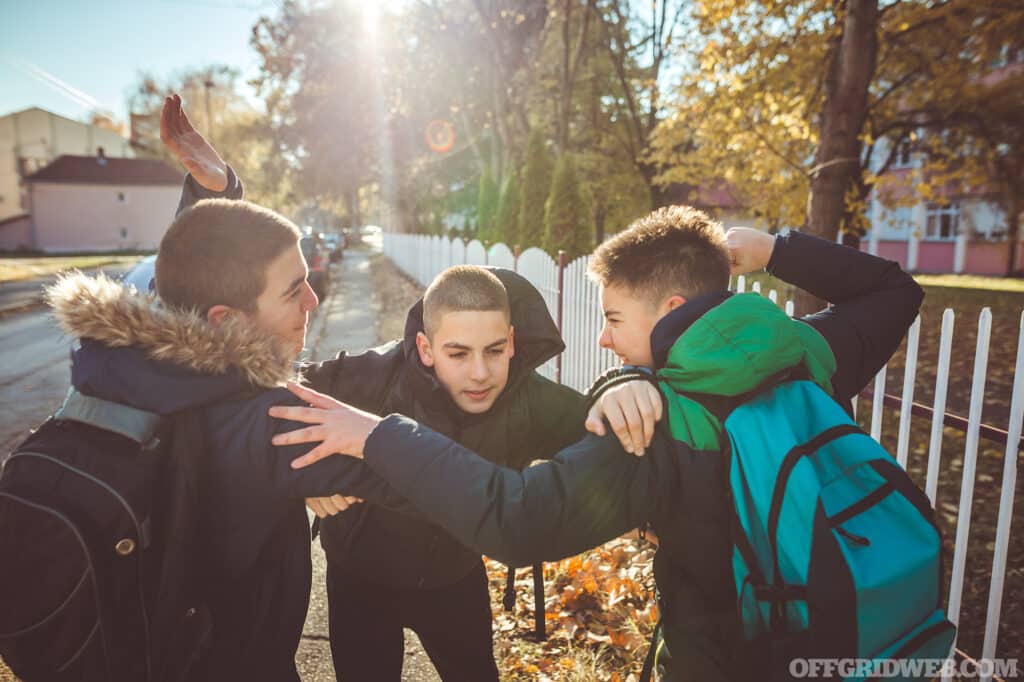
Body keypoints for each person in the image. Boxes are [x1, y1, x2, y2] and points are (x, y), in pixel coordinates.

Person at [272, 207, 924, 681]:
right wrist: (774, 249)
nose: (604, 339)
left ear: (670, 310)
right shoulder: (809, 352)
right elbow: (894, 289)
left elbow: (520, 517)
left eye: (613, 320)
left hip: (728, 661)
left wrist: (378, 439)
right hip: (852, 631)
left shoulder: (654, 428)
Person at [158, 93, 653, 681]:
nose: (478, 372)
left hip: (454, 581)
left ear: (514, 345)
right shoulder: (366, 376)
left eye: (495, 352)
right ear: (424, 347)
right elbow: (234, 370)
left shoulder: (528, 399)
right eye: (457, 353)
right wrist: (299, 481)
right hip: (359, 580)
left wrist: (620, 383)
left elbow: (600, 424)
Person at [47, 198, 411, 681]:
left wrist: (213, 191)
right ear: (226, 321)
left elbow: (188, 274)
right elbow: (436, 481)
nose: (313, 301)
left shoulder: (124, 370)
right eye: (293, 290)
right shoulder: (274, 419)